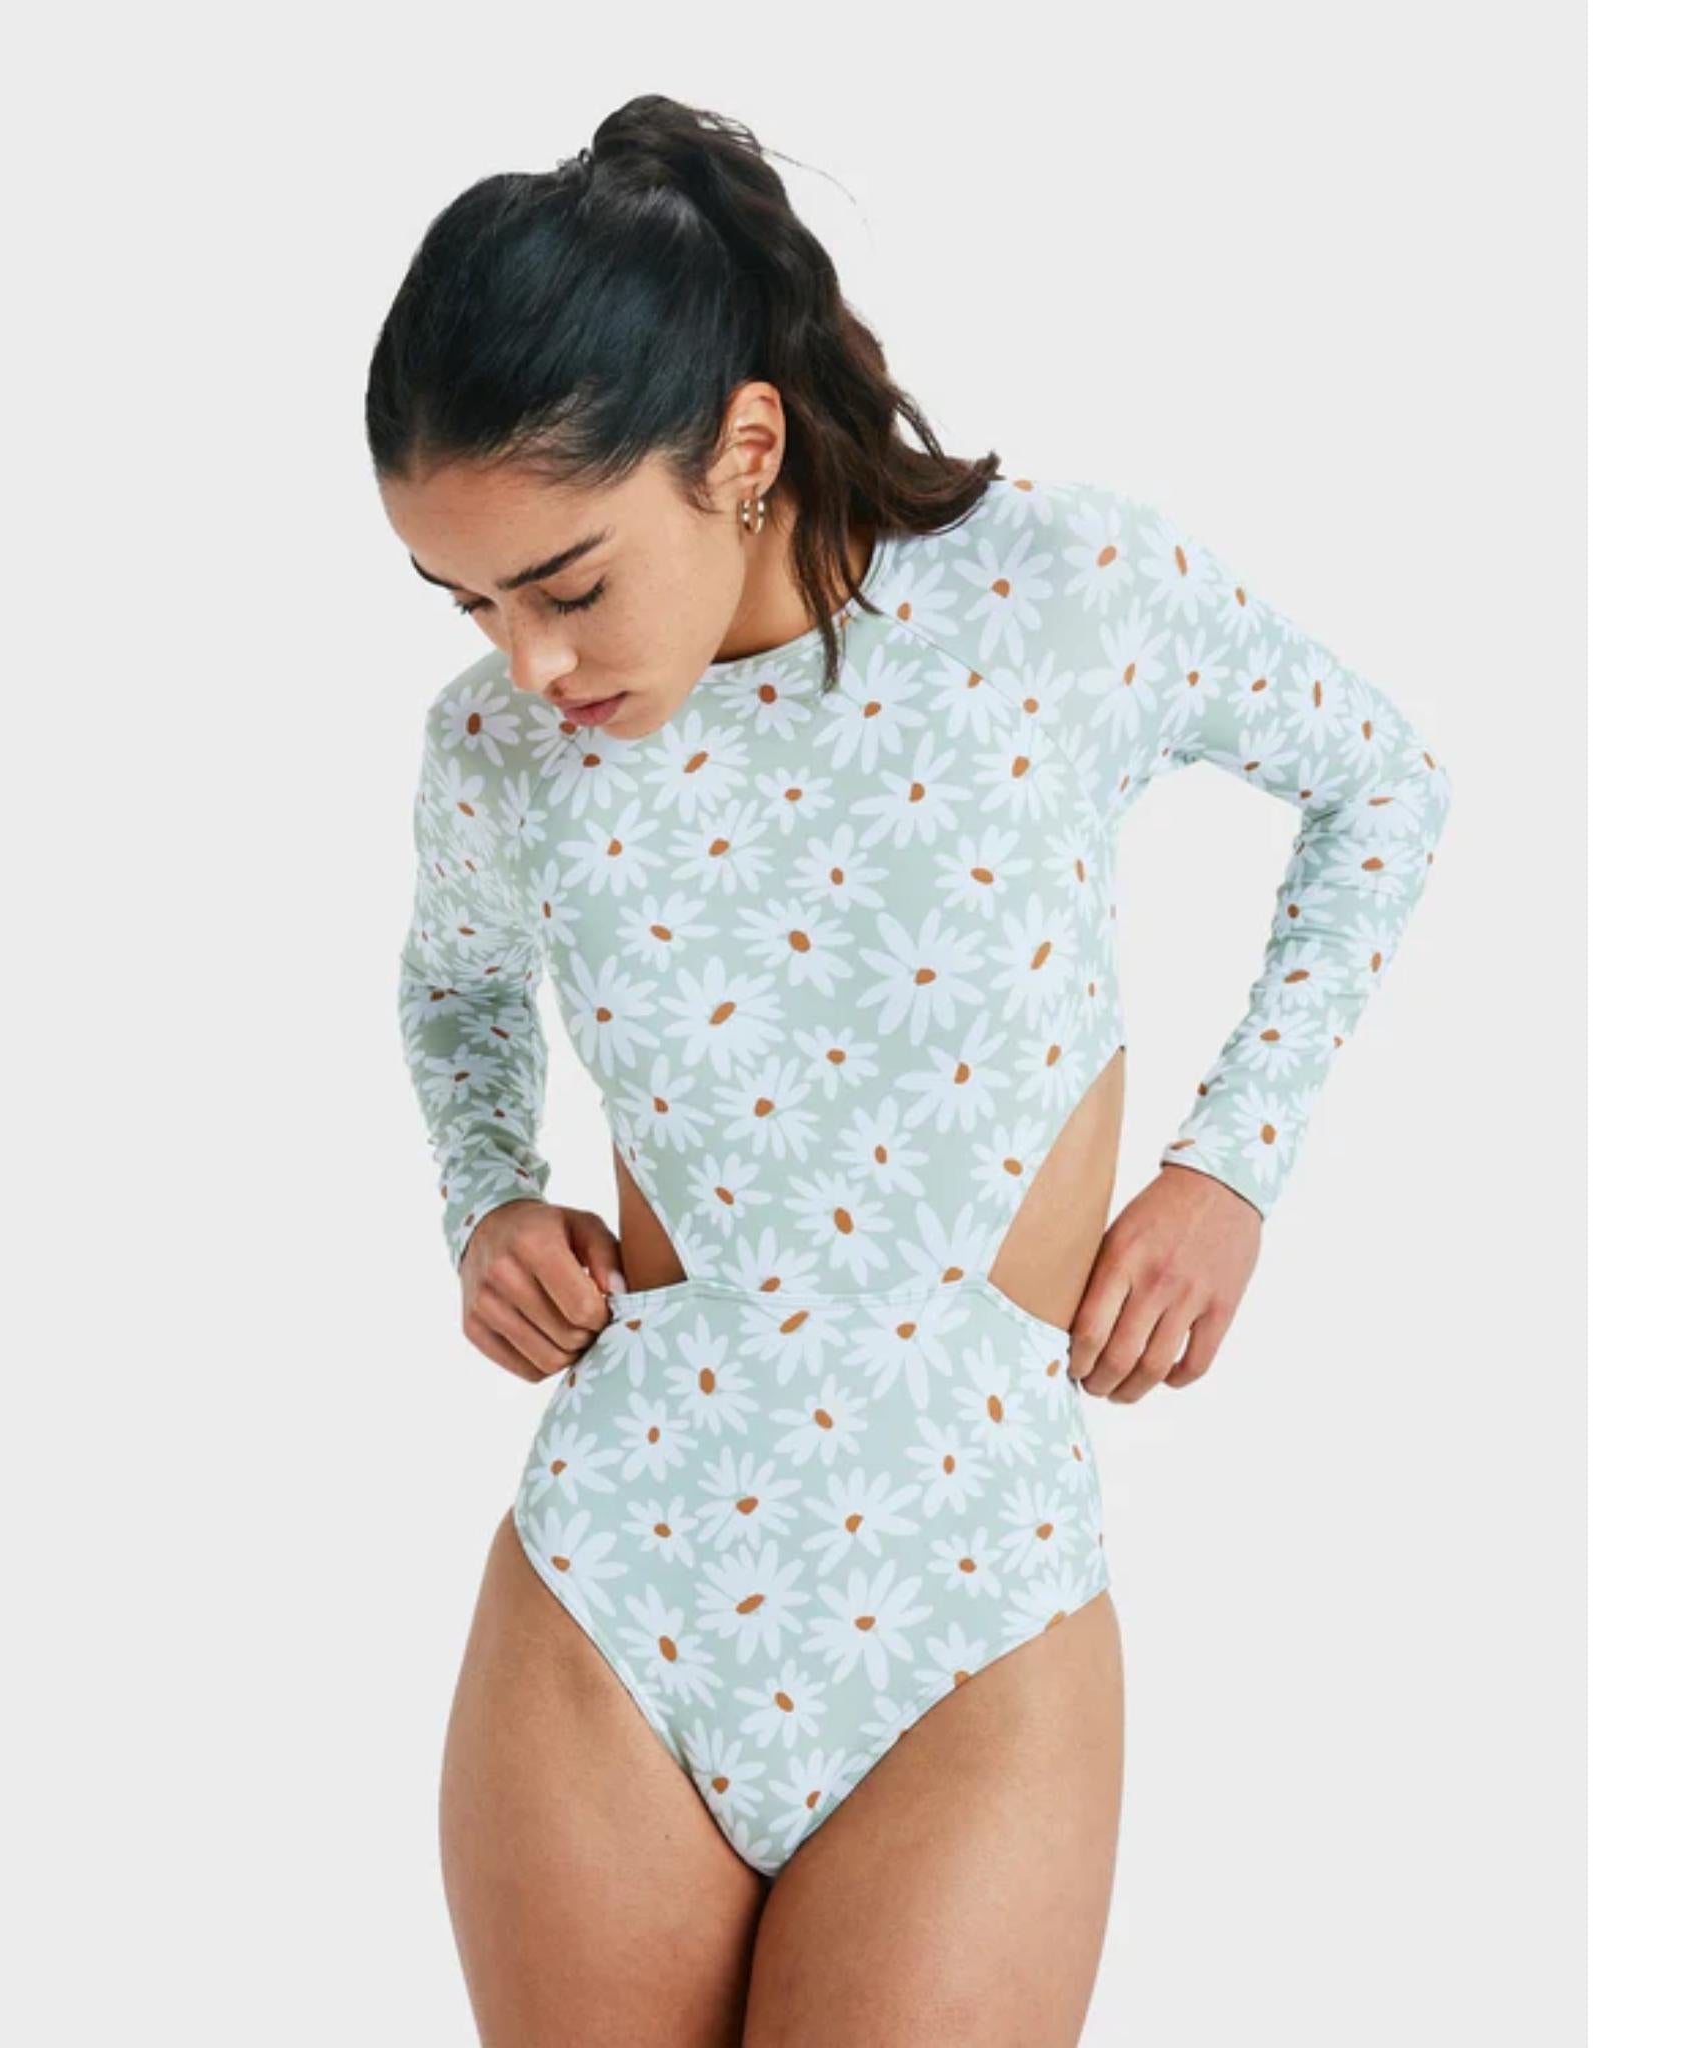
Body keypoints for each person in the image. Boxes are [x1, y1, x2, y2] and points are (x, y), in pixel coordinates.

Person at [367, 93, 1452, 2048]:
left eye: (569, 583)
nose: (529, 662)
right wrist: (490, 1197)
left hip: (973, 1599)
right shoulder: (499, 752)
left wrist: (1230, 1165)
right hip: (614, 1584)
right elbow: (452, 989)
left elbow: (1380, 785)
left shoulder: (1061, 596)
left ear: (742, 449)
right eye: (474, 604)